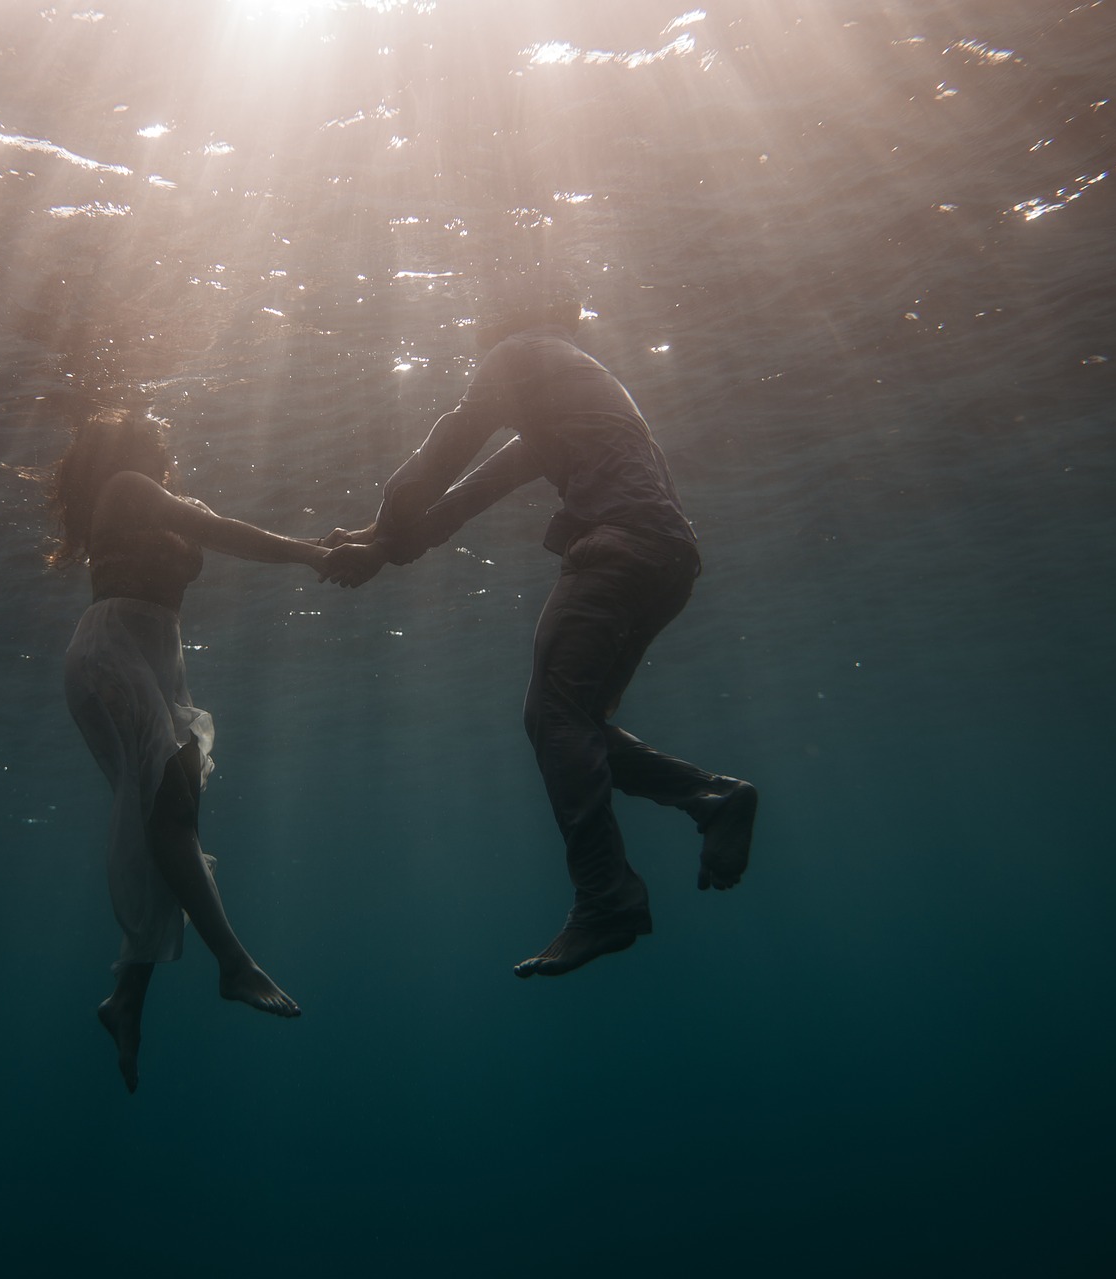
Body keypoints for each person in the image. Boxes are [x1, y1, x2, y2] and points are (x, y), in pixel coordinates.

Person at [322, 283, 757, 979]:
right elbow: (463, 499)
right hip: (669, 559)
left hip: (616, 548)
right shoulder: (572, 386)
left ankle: (606, 894)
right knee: (565, 719)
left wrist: (380, 530)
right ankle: (712, 797)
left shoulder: (515, 353)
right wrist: (379, 544)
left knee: (556, 717)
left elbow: (434, 465)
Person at [48, 404, 325, 1092]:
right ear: (134, 445)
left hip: (152, 656)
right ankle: (232, 963)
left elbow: (211, 524)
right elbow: (220, 531)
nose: (162, 443)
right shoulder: (127, 488)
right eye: (153, 436)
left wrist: (349, 542)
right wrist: (316, 552)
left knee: (165, 822)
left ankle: (126, 1001)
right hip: (114, 649)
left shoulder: (154, 496)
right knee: (168, 814)